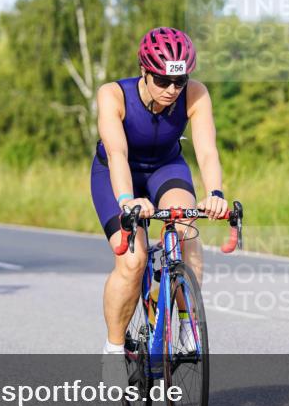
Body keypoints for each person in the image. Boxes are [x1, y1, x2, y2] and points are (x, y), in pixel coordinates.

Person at [91, 27, 228, 362]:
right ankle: (112, 347)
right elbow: (118, 154)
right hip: (117, 172)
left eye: (179, 83)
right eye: (163, 81)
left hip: (166, 168)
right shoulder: (114, 95)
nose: (172, 90)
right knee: (132, 261)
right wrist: (128, 202)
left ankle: (185, 322)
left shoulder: (196, 94)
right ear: (144, 71)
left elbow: (207, 151)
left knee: (186, 227)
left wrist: (214, 193)